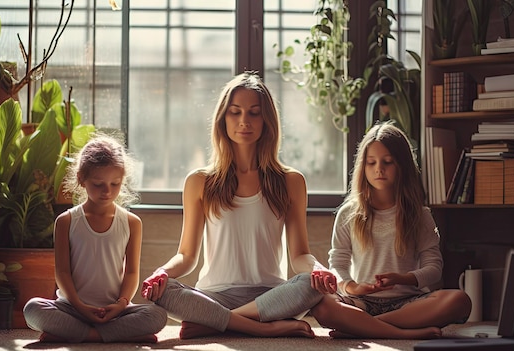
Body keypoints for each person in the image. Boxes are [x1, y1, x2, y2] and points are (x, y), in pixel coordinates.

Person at [141, 72, 339, 339]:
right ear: (223, 119)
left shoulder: (291, 181)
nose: (244, 121)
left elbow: (299, 255)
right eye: (235, 112)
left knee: (310, 285)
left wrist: (317, 268)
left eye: (254, 113)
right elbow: (187, 256)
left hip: (270, 296)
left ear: (267, 120)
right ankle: (263, 329)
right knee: (162, 291)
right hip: (214, 295)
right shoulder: (199, 181)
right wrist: (162, 272)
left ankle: (219, 323)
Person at [310, 122, 472, 339]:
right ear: (363, 167)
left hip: (408, 303)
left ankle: (363, 328)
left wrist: (402, 279)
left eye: (387, 162)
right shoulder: (348, 213)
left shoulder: (420, 215)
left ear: (402, 165)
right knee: (320, 305)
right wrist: (352, 287)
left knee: (460, 301)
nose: (379, 169)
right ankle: (401, 332)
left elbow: (434, 268)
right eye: (371, 163)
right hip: (362, 302)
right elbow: (337, 264)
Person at [23, 134, 167, 343]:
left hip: (115, 311)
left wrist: (120, 304)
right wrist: (80, 306)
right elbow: (62, 272)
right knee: (33, 309)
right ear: (81, 178)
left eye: (115, 183)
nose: (107, 191)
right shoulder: (66, 221)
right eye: (99, 184)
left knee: (157, 315)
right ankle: (111, 335)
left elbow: (132, 271)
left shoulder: (132, 222)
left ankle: (76, 334)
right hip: (71, 308)